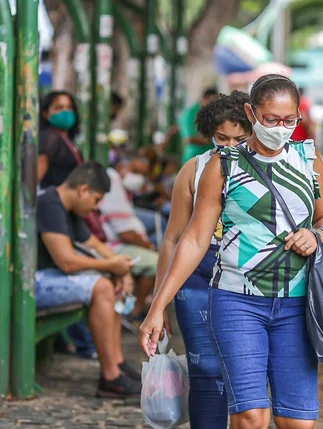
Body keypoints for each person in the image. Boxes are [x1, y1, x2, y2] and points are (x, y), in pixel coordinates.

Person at [141, 74, 323, 429]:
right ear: (251, 113)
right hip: (237, 301)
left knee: (297, 422)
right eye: (270, 119)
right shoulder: (223, 166)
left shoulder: (309, 159)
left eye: (289, 120)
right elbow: (193, 238)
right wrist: (158, 307)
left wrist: (318, 234)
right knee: (250, 417)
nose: (281, 128)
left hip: (298, 302)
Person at [153, 90, 252, 429]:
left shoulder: (269, 170)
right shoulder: (193, 170)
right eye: (222, 138)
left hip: (251, 279)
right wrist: (159, 302)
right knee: (206, 371)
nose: (230, 146)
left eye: (240, 138)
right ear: (209, 134)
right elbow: (173, 239)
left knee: (246, 374)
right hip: (197, 277)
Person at [36, 161, 141, 397]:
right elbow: (67, 261)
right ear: (83, 190)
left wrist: (120, 270)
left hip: (51, 278)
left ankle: (117, 362)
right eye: (95, 200)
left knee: (110, 282)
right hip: (34, 283)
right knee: (102, 286)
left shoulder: (69, 208)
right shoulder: (49, 204)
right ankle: (110, 377)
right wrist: (110, 266)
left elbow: (94, 244)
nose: (95, 208)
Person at [98, 165, 159, 320]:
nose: (138, 177)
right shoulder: (112, 182)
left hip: (115, 247)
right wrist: (149, 247)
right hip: (114, 246)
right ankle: (135, 312)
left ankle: (134, 308)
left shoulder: (122, 188)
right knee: (158, 262)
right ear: (121, 167)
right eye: (136, 171)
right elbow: (126, 233)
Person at [38, 91, 83, 189]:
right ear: (46, 114)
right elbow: (37, 176)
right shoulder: (49, 137)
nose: (66, 112)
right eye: (59, 108)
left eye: (69, 107)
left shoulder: (65, 138)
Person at [178, 87, 219, 165]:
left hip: (211, 160)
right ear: (205, 99)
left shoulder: (214, 113)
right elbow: (189, 139)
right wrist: (215, 139)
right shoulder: (189, 114)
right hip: (193, 159)